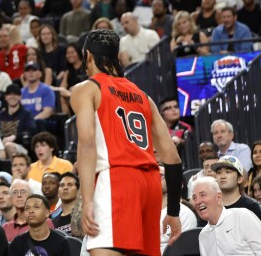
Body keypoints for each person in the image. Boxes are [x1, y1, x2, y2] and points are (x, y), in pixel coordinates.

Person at [71, 29, 182, 255]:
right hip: (150, 183)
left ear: (88, 56)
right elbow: (173, 158)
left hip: (117, 180)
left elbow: (87, 145)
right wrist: (173, 211)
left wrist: (87, 200)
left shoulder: (86, 88)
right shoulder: (143, 96)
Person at [193, 177, 261, 256]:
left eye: (203, 195)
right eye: (194, 198)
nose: (197, 202)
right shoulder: (203, 235)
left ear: (218, 197)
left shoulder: (242, 216)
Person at [159, 165, 197, 254]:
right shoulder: (143, 211)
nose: (158, 179)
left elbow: (183, 249)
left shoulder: (185, 213)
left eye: (162, 176)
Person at [211, 155, 261, 220]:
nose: (222, 176)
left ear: (239, 179)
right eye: (219, 172)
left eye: (228, 172)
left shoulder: (251, 207)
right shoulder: (211, 207)